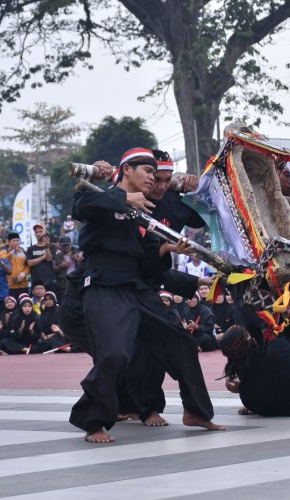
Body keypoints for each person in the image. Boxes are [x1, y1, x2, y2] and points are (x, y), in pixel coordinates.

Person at [68, 147, 222, 443]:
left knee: (181, 343)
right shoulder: (101, 194)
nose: (153, 179)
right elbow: (82, 208)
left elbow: (149, 261)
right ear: (127, 170)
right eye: (149, 172)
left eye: (156, 173)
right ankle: (93, 421)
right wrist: (124, 198)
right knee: (114, 353)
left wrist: (167, 249)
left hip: (139, 287)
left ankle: (196, 411)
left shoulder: (146, 211)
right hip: (104, 284)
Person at [26, 226, 56, 295]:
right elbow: (30, 263)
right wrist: (43, 257)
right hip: (36, 283)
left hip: (49, 281)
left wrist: (46, 247)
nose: (38, 233)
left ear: (45, 233)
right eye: (36, 232)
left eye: (40, 231)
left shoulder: (51, 246)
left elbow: (49, 258)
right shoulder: (31, 249)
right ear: (34, 234)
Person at [2, 232, 30, 298]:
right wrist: (12, 252)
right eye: (13, 241)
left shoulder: (23, 252)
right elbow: (3, 261)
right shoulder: (4, 252)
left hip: (23, 284)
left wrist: (23, 274)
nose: (16, 242)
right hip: (9, 285)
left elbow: (28, 265)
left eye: (17, 240)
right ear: (8, 242)